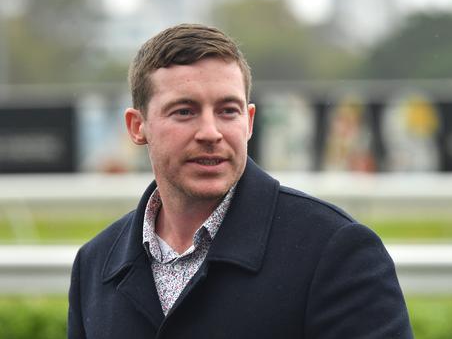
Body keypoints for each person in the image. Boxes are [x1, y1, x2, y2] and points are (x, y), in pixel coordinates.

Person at [68, 23, 413, 338]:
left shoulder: (336, 249)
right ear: (137, 126)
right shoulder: (93, 265)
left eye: (227, 111)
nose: (210, 132)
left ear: (248, 122)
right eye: (184, 111)